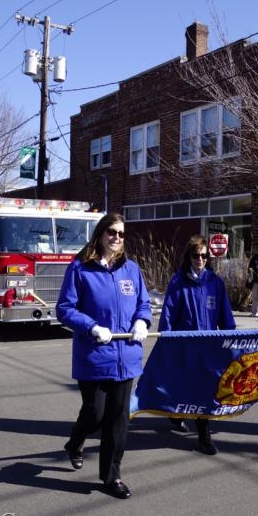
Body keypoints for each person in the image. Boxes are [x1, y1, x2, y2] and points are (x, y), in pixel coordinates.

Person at [56, 213, 152, 499]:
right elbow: (65, 308)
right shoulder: (80, 269)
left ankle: (112, 476)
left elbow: (143, 304)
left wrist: (142, 322)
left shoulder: (131, 269)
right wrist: (92, 327)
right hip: (95, 356)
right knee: (95, 413)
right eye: (112, 232)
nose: (117, 238)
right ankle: (75, 442)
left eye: (121, 234)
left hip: (127, 359)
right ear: (100, 234)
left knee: (118, 421)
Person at [159, 235, 236, 455]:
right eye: (196, 255)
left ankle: (204, 437)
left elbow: (226, 316)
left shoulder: (216, 283)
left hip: (209, 348)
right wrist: (168, 341)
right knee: (183, 385)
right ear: (189, 257)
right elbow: (169, 314)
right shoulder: (178, 282)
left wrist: (230, 339)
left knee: (205, 391)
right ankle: (175, 414)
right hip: (186, 346)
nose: (200, 259)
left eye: (204, 256)